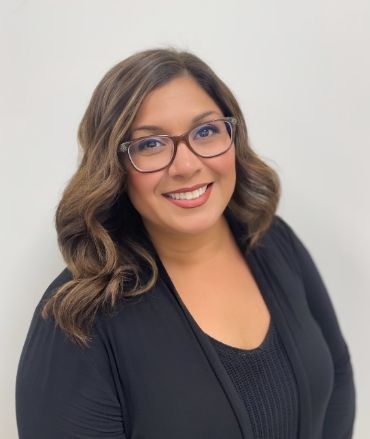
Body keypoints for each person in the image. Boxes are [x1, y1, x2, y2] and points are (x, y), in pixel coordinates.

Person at [16, 48, 356, 439]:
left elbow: (338, 379)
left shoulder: (274, 241)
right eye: (150, 144)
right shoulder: (77, 318)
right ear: (113, 167)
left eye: (206, 131)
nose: (187, 165)